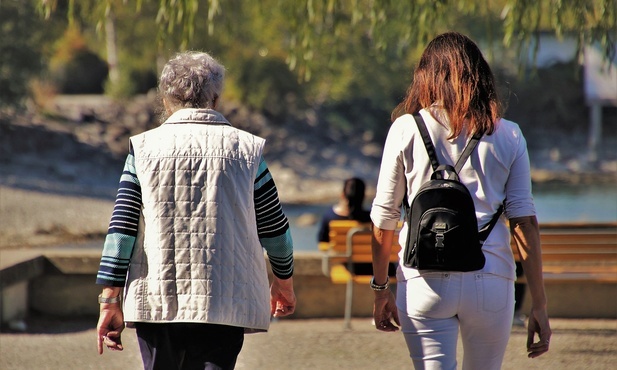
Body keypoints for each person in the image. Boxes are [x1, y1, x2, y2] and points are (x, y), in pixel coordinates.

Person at [95, 51, 296, 370]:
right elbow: (275, 229)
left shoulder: (144, 148)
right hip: (223, 303)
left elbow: (122, 229)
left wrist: (109, 299)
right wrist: (283, 282)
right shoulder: (247, 151)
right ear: (215, 99)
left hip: (158, 300)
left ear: (166, 98)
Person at [369, 32, 551, 369]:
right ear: (480, 75)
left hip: (423, 279)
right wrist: (538, 303)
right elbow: (524, 222)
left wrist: (381, 288)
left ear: (426, 75)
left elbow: (384, 219)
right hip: (491, 277)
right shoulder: (509, 134)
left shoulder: (405, 129)